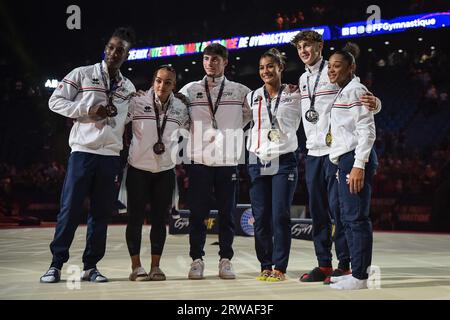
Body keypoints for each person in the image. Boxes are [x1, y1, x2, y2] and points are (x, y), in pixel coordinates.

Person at [40, 27, 136, 283]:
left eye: (121, 50)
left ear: (127, 55)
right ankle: (56, 264)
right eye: (112, 47)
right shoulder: (82, 74)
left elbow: (131, 117)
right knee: (69, 210)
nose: (114, 53)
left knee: (101, 214)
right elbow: (55, 101)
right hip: (82, 152)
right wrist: (87, 110)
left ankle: (90, 266)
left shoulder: (128, 87)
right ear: (106, 48)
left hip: (110, 157)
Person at [291, 30, 381, 284]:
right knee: (318, 212)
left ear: (320, 46)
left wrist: (377, 103)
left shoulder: (333, 70)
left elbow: (361, 98)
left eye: (307, 46)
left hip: (335, 153)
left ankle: (345, 264)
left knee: (341, 211)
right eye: (299, 48)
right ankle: (324, 264)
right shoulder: (301, 80)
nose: (304, 51)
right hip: (312, 152)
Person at [179, 43, 251, 280]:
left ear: (225, 62)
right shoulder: (189, 90)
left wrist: (228, 134)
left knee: (227, 214)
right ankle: (197, 260)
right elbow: (177, 115)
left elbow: (250, 115)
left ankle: (225, 260)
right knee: (198, 213)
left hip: (227, 161)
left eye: (216, 59)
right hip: (199, 160)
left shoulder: (240, 91)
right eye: (207, 59)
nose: (211, 63)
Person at [125, 65, 190, 281]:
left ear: (174, 85)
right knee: (135, 219)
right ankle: (136, 267)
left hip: (165, 171)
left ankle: (155, 267)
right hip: (138, 170)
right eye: (159, 81)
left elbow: (194, 129)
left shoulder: (181, 108)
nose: (162, 86)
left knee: (160, 220)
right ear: (153, 81)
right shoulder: (136, 101)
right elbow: (115, 121)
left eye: (168, 82)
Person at [246, 48, 302, 282]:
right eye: (261, 67)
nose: (265, 71)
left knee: (279, 215)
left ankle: (280, 266)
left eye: (270, 66)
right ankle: (265, 265)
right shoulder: (252, 97)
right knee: (260, 217)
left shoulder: (295, 94)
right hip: (257, 160)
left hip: (284, 160)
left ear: (280, 67)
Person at [327, 46, 378, 290]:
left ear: (351, 67)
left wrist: (359, 165)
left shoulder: (356, 89)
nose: (331, 70)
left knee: (356, 218)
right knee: (347, 218)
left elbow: (366, 130)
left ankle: (360, 277)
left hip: (354, 159)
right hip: (345, 159)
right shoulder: (344, 91)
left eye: (337, 65)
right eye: (329, 66)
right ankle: (355, 272)